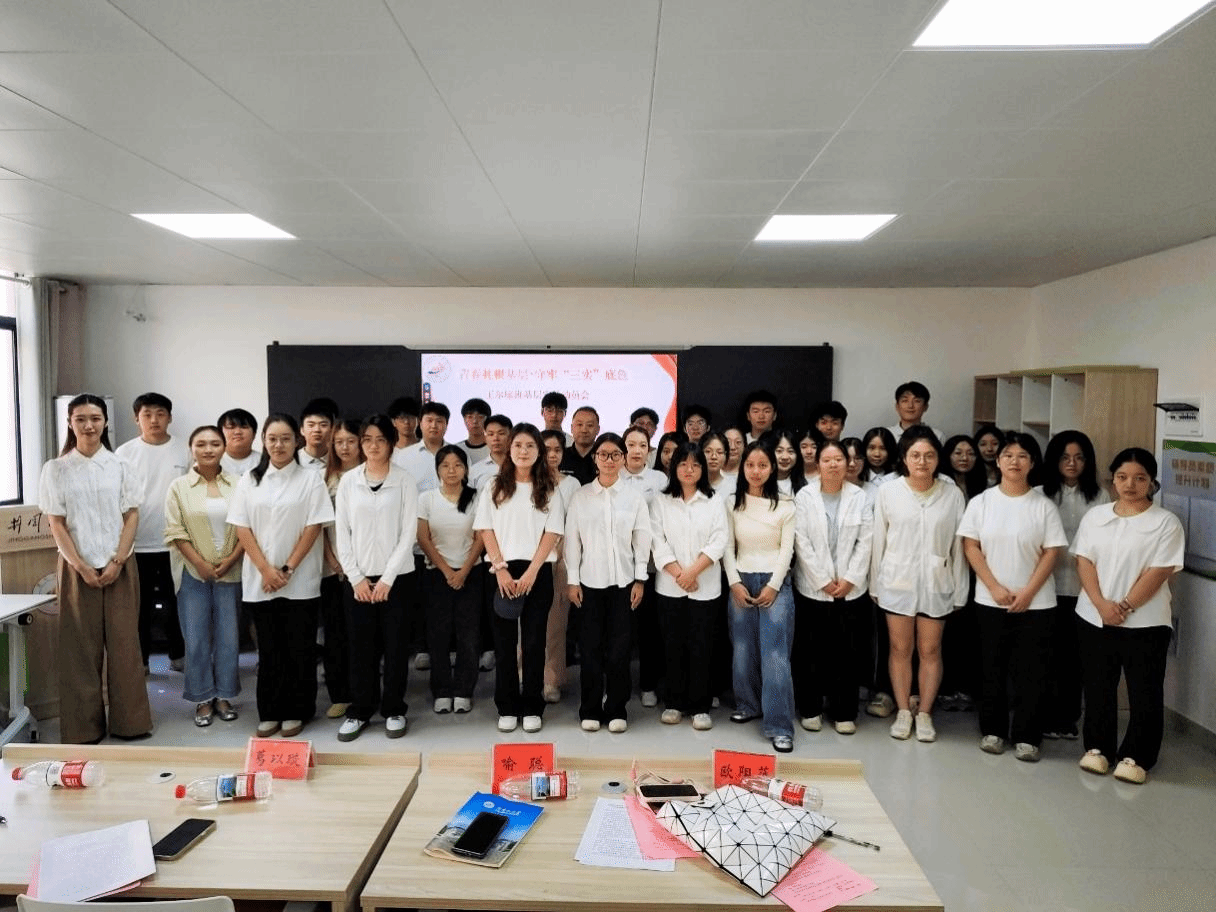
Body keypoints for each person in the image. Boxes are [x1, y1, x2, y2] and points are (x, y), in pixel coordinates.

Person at [39, 393, 152, 744]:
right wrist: (80, 566)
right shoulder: (56, 469)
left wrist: (118, 560)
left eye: (95, 418)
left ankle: (131, 724)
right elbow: (56, 523)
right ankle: (83, 729)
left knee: (125, 647)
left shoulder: (121, 466)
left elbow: (131, 515)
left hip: (121, 565)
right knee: (79, 650)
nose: (89, 425)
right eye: (81, 419)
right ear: (70, 423)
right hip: (77, 567)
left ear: (105, 422)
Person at [1072, 448, 1185, 785]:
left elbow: (1160, 570)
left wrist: (1123, 607)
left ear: (1152, 482)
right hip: (1094, 617)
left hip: (1146, 622)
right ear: (1113, 480)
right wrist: (1101, 604)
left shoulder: (1165, 522)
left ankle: (1137, 756)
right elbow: (1083, 560)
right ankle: (1098, 749)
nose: (1130, 484)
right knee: (1098, 687)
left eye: (1139, 478)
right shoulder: (1095, 517)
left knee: (1144, 691)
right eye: (1122, 477)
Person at [958, 432, 1067, 762]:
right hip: (990, 600)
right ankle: (993, 730)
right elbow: (971, 546)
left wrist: (1028, 592)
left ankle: (1028, 736)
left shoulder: (1044, 506)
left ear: (1032, 463)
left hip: (1037, 604)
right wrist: (994, 587)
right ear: (998, 460)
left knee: (1032, 672)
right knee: (991, 667)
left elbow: (1052, 551)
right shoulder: (982, 502)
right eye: (1008, 455)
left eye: (1022, 456)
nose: (1014, 461)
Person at [228, 414, 334, 739]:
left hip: (299, 580)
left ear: (297, 441)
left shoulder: (310, 479)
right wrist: (265, 569)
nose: (279, 445)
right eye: (272, 438)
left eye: (286, 439)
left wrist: (286, 569)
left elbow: (314, 526)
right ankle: (270, 711)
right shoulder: (249, 480)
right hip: (261, 580)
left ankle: (297, 710)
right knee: (270, 649)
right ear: (263, 441)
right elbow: (242, 527)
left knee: (299, 648)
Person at [871, 427, 969, 743]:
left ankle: (924, 712)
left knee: (930, 649)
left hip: (938, 582)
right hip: (896, 581)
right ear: (904, 458)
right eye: (915, 455)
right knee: (900, 648)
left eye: (929, 455)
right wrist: (875, 585)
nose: (922, 462)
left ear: (938, 459)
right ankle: (903, 710)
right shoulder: (889, 492)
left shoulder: (952, 495)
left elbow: (959, 547)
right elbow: (879, 541)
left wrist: (960, 589)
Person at [475, 423, 565, 733]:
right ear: (509, 449)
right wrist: (500, 568)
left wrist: (531, 572)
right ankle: (507, 706)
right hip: (500, 572)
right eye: (518, 445)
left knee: (533, 643)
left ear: (539, 451)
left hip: (536, 572)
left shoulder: (549, 487)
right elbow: (485, 528)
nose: (523, 451)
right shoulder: (494, 486)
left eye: (530, 446)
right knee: (503, 645)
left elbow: (552, 533)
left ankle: (532, 706)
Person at [333, 414, 418, 740]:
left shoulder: (405, 480)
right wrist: (355, 577)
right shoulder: (348, 481)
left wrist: (387, 579)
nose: (372, 446)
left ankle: (394, 709)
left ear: (391, 443)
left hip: (397, 580)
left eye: (380, 439)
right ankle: (360, 711)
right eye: (366, 440)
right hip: (358, 581)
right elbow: (342, 532)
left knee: (396, 648)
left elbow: (408, 532)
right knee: (360, 648)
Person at [565, 432, 650, 733]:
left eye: (616, 454)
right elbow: (572, 541)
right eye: (604, 454)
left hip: (624, 583)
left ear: (623, 459)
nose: (610, 460)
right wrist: (572, 580)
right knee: (589, 649)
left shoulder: (634, 497)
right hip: (589, 583)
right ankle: (589, 708)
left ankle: (616, 708)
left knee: (619, 650)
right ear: (595, 458)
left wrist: (640, 579)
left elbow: (642, 538)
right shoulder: (581, 496)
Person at [164, 426, 244, 727]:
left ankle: (224, 695)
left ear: (224, 447)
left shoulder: (239, 484)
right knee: (196, 638)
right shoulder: (178, 487)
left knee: (228, 638)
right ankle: (202, 697)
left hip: (231, 570)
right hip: (191, 572)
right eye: (201, 444)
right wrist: (199, 563)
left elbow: (247, 527)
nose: (208, 449)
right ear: (191, 448)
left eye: (214, 443)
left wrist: (231, 560)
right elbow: (174, 530)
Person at [792, 440, 873, 735]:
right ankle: (810, 708)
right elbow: (801, 542)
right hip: (813, 589)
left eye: (839, 459)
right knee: (811, 650)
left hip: (851, 590)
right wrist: (822, 581)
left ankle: (844, 712)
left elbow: (866, 541)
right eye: (827, 460)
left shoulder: (859, 497)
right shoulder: (805, 496)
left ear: (847, 462)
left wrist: (850, 579)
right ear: (818, 464)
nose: (834, 464)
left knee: (847, 652)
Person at [723, 440, 797, 752]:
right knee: (742, 650)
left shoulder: (786, 505)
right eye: (750, 465)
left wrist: (774, 585)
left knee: (775, 655)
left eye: (763, 465)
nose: (756, 471)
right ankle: (748, 705)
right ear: (742, 468)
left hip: (774, 582)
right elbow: (727, 546)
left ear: (772, 468)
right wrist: (734, 582)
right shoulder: (732, 503)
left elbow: (787, 550)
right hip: (741, 579)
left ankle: (780, 726)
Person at [650, 441, 728, 731]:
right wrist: (679, 573)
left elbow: (719, 540)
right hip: (669, 586)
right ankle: (673, 702)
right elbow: (656, 540)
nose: (689, 469)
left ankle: (700, 706)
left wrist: (692, 572)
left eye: (695, 465)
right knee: (672, 645)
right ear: (674, 467)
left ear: (703, 469)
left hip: (705, 586)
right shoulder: (661, 500)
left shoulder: (714, 500)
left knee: (702, 646)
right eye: (683, 464)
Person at [1039, 430, 1110, 740]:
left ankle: (1067, 718)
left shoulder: (1100, 496)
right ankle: (1043, 715)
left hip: (1084, 590)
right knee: (1045, 655)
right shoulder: (1039, 493)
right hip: (1045, 587)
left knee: (1075, 658)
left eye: (1079, 458)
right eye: (1065, 457)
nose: (1072, 463)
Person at [115, 391, 189, 672]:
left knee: (176, 601)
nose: (154, 420)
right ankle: (142, 660)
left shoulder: (184, 449)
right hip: (137, 542)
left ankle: (178, 654)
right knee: (139, 605)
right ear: (137, 419)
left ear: (170, 417)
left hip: (175, 542)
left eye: (160, 414)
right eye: (147, 414)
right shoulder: (124, 453)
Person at [417, 444, 484, 715]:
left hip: (471, 573)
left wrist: (464, 571)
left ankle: (464, 690)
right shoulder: (427, 499)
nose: (451, 470)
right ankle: (442, 691)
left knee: (469, 636)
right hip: (437, 575)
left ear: (466, 469)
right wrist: (447, 571)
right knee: (438, 636)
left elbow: (481, 536)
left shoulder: (476, 497)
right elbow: (423, 538)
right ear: (437, 470)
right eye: (445, 465)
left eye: (457, 465)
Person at [620, 424, 669, 707]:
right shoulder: (613, 475)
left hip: (651, 566)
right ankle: (619, 686)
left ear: (649, 450)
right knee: (620, 632)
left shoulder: (659, 479)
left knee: (649, 630)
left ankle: (648, 684)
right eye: (630, 445)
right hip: (619, 566)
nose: (636, 451)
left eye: (642, 445)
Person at [938, 433, 988, 712]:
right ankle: (946, 689)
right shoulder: (941, 486)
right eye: (958, 452)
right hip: (947, 565)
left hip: (978, 568)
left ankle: (967, 689)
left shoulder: (985, 489)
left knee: (972, 633)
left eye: (970, 453)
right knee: (947, 633)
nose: (964, 458)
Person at [319, 418, 362, 720]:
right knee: (335, 634)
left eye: (351, 441)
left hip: (366, 568)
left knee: (363, 636)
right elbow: (318, 525)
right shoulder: (325, 479)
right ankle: (340, 695)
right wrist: (333, 560)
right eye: (339, 442)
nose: (344, 447)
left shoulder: (372, 474)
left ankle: (364, 693)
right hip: (333, 569)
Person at [540, 430, 582, 703]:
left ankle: (551, 680)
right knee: (526, 625)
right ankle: (524, 675)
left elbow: (577, 523)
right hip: (531, 558)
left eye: (557, 450)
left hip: (563, 558)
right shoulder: (526, 480)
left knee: (555, 622)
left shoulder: (572, 484)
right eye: (546, 450)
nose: (552, 455)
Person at [393, 400, 449, 492]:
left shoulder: (458, 454)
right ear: (420, 423)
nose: (433, 425)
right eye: (429, 420)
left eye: (439, 421)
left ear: (446, 424)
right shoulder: (403, 457)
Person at [469, 413, 512, 490]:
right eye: (491, 434)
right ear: (485, 438)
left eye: (501, 433)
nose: (496, 438)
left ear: (511, 436)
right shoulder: (474, 470)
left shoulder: (522, 466)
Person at [560, 406, 600, 484]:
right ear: (572, 428)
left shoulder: (604, 458)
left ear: (598, 429)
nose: (584, 430)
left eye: (590, 425)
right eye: (579, 425)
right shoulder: (560, 457)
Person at [218, 408, 260, 476]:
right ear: (219, 434)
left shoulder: (265, 462)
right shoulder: (213, 463)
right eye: (231, 427)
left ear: (254, 434)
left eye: (244, 427)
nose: (237, 432)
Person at [299, 398, 338, 471]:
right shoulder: (291, 460)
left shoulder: (339, 460)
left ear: (332, 429)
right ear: (302, 430)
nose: (317, 430)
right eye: (311, 425)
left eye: (323, 425)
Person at [770, 429, 806, 497]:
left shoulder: (804, 488)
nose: (785, 457)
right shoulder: (761, 484)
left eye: (790, 451)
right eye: (779, 451)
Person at [458, 398, 491, 464]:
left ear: (488, 420)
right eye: (470, 417)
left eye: (480, 417)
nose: (475, 421)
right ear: (464, 420)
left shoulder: (494, 448)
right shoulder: (457, 449)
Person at [700, 430, 733, 495]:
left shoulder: (733, 485)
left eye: (719, 452)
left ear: (726, 455)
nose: (714, 457)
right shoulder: (691, 484)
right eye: (708, 451)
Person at [974, 424, 1004, 489]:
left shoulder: (1008, 472)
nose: (989, 449)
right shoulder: (970, 473)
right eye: (983, 444)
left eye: (995, 444)